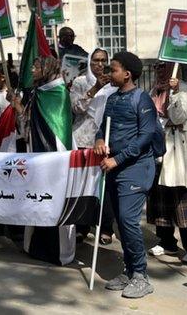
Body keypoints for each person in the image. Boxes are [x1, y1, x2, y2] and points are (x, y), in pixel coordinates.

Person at [94, 51, 157, 299]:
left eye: (113, 69)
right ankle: (130, 271)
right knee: (121, 223)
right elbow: (103, 126)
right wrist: (100, 139)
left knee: (128, 220)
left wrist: (117, 159)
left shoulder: (142, 100)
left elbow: (145, 137)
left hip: (136, 168)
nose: (109, 73)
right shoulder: (112, 99)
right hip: (113, 168)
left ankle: (141, 276)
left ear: (127, 74)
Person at [11, 56, 77, 265]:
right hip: (37, 155)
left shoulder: (58, 93)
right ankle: (36, 247)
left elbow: (60, 129)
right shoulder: (37, 93)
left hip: (55, 158)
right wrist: (18, 107)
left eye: (36, 66)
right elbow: (27, 125)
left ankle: (59, 253)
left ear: (47, 69)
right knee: (38, 200)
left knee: (56, 202)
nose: (32, 68)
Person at [146, 62, 187, 265]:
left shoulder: (185, 88)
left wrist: (174, 92)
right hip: (159, 148)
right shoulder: (153, 90)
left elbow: (178, 116)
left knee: (183, 197)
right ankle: (166, 241)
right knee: (161, 198)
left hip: (179, 150)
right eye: (158, 67)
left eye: (165, 67)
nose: (161, 71)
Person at [70, 48, 116, 244]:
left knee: (104, 187)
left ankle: (106, 226)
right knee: (82, 187)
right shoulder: (80, 82)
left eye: (103, 61)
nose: (99, 64)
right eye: (95, 60)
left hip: (105, 139)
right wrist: (95, 88)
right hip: (83, 139)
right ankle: (82, 226)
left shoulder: (114, 83)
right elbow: (75, 108)